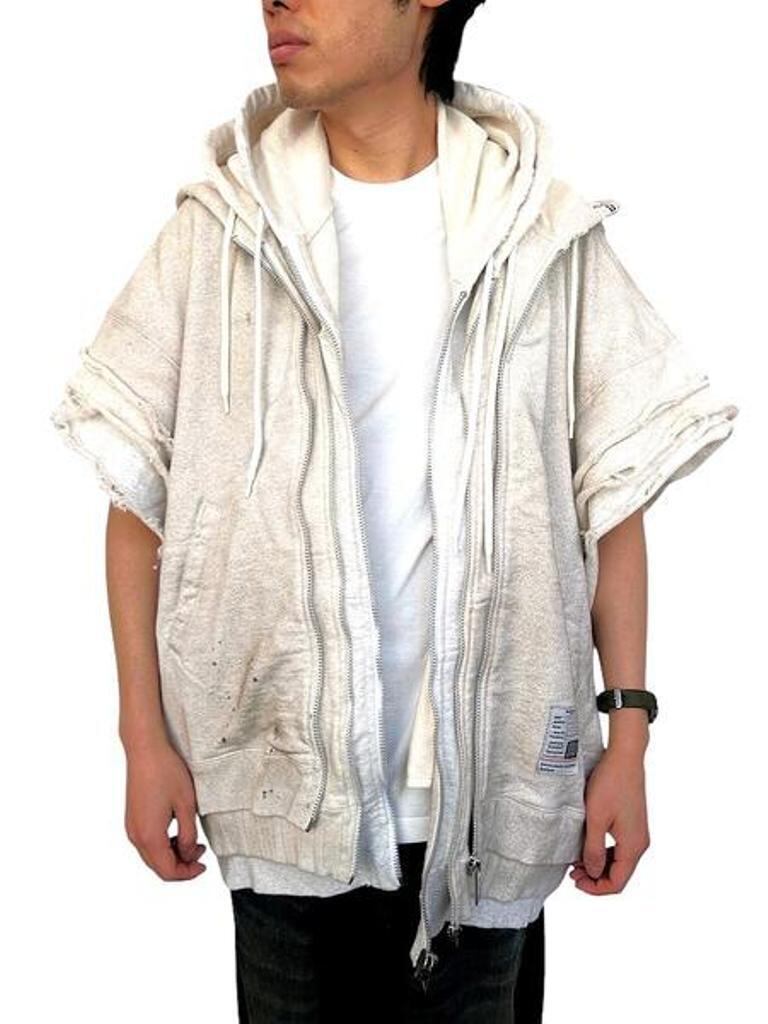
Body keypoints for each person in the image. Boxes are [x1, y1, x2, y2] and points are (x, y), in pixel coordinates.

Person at [49, 1, 739, 1021]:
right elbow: (134, 493)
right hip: (284, 797)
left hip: (492, 802)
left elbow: (612, 497)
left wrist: (627, 736)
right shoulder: (221, 227)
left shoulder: (538, 230)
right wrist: (141, 738)